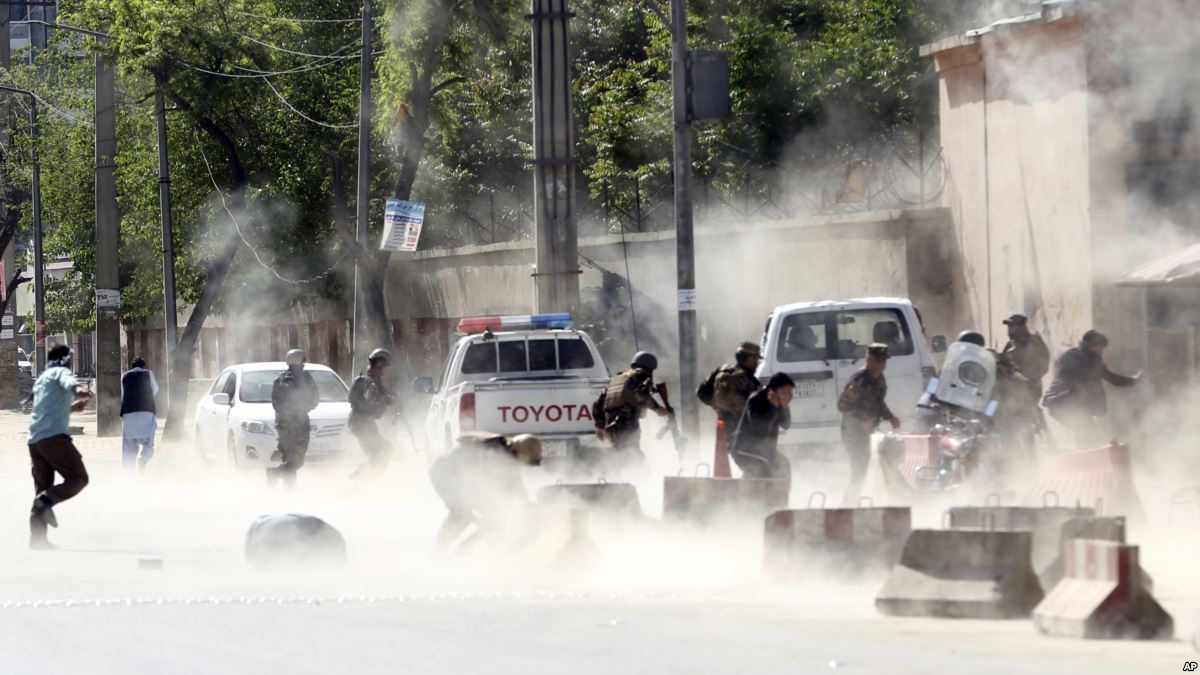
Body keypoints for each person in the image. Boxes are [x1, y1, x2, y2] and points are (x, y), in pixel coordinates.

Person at [430, 432, 542, 554]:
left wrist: (529, 507)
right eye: (523, 461)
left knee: (494, 519)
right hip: (444, 474)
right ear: (516, 453)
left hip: (464, 479)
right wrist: (481, 521)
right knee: (461, 516)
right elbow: (469, 487)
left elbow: (517, 488)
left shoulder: (508, 459)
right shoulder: (490, 455)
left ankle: (471, 549)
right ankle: (438, 551)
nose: (522, 465)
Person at [27, 344, 93, 549]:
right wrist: (81, 391)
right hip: (54, 438)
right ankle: (46, 500)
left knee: (42, 488)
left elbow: (45, 410)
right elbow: (71, 384)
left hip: (34, 441)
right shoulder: (61, 372)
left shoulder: (42, 380)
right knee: (78, 478)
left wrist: (72, 408)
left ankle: (38, 540)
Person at [1042, 330, 1139, 447]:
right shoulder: (1071, 356)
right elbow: (1075, 378)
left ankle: (1083, 453)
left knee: (1089, 435)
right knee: (1088, 434)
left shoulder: (1094, 360)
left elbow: (1111, 378)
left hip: (1078, 405)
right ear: (1092, 345)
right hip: (1060, 402)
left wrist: (1133, 380)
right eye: (1101, 347)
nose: (1102, 351)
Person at [838, 343, 901, 502]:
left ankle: (850, 503)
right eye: (877, 360)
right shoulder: (860, 381)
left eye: (883, 360)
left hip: (865, 432)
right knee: (859, 472)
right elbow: (843, 406)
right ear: (868, 360)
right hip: (853, 432)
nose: (881, 364)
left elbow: (878, 403)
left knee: (863, 471)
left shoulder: (880, 380)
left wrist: (891, 417)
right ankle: (847, 505)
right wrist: (862, 419)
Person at [592, 351, 667, 464]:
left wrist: (600, 426)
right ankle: (639, 474)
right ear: (649, 368)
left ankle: (616, 473)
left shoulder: (617, 379)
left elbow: (597, 405)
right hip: (627, 423)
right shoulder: (639, 375)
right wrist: (657, 408)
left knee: (620, 454)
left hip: (611, 426)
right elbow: (640, 394)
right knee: (634, 456)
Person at [995, 314, 1051, 454]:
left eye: (1012, 326)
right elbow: (1003, 362)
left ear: (1021, 327)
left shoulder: (1034, 342)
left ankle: (1033, 455)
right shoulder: (1011, 344)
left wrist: (1025, 377)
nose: (1009, 329)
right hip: (1010, 390)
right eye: (1008, 326)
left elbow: (1043, 366)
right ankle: (1011, 456)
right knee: (1005, 420)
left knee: (1025, 423)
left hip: (1028, 390)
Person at [728, 372, 794, 482]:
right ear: (773, 391)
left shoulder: (781, 403)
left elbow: (786, 425)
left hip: (766, 452)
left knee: (783, 463)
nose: (788, 396)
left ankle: (781, 493)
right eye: (784, 392)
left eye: (790, 392)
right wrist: (772, 407)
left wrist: (785, 407)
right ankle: (747, 488)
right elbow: (758, 429)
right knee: (762, 468)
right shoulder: (756, 400)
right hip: (744, 450)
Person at [268, 349, 318, 488]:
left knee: (289, 459)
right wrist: (301, 410)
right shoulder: (307, 379)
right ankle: (276, 474)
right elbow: (315, 400)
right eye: (302, 362)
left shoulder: (279, 379)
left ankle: (288, 491)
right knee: (297, 461)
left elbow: (275, 404)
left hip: (284, 424)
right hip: (298, 424)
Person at [349, 348, 398, 479]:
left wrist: (388, 399)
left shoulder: (372, 380)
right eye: (386, 367)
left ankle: (363, 478)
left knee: (382, 451)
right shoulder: (371, 382)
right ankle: (360, 478)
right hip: (362, 424)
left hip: (363, 423)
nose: (387, 370)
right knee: (384, 451)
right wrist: (387, 401)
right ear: (379, 365)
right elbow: (371, 401)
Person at [697, 342, 763, 432]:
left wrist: (719, 407)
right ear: (748, 358)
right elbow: (757, 407)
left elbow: (701, 392)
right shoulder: (749, 379)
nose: (757, 362)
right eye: (755, 358)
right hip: (743, 431)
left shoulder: (722, 369)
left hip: (723, 428)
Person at [119, 356, 159, 471]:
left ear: (132, 367)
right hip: (146, 413)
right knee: (148, 443)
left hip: (129, 415)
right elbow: (155, 390)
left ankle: (130, 472)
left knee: (129, 447)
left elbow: (123, 395)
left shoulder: (124, 376)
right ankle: (143, 460)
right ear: (144, 366)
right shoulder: (148, 373)